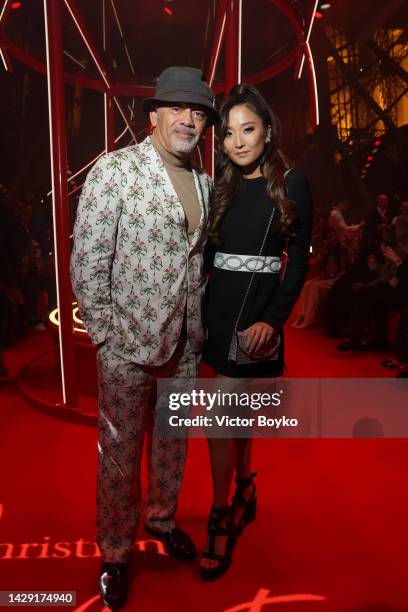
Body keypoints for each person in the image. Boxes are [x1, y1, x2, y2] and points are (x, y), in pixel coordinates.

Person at [71, 66, 218, 609]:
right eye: (178, 109)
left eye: (198, 112)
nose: (189, 120)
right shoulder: (114, 171)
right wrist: (107, 338)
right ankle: (114, 550)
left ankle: (160, 519)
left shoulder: (204, 180)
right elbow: (87, 262)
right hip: (125, 346)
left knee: (172, 446)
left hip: (186, 342)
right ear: (154, 115)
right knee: (118, 452)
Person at [200, 84, 312, 580]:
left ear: (267, 131)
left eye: (248, 129)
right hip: (216, 310)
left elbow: (298, 260)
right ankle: (245, 484)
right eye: (228, 133)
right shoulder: (219, 186)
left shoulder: (291, 182)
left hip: (256, 317)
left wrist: (274, 319)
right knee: (236, 410)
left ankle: (220, 512)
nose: (238, 141)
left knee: (218, 415)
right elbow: (206, 256)